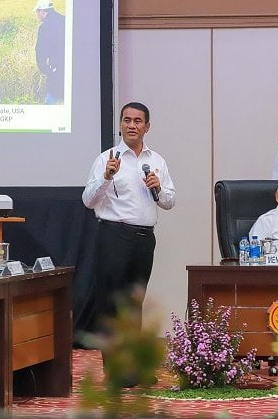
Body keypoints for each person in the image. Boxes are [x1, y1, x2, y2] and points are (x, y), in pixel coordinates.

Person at [82, 101, 176, 377]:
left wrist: (159, 187)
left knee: (135, 304)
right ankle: (115, 371)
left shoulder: (156, 161)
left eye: (137, 121)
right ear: (120, 125)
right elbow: (88, 201)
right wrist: (106, 177)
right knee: (112, 304)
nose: (131, 125)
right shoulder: (106, 159)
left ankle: (132, 368)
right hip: (114, 236)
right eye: (127, 120)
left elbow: (170, 201)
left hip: (144, 239)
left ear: (147, 126)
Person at [34, 0, 65, 104]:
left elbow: (40, 54)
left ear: (42, 11)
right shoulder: (66, 20)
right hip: (72, 73)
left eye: (37, 12)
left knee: (51, 104)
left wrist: (47, 70)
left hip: (55, 74)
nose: (37, 15)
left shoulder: (44, 28)